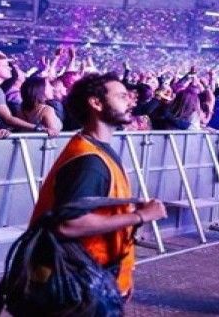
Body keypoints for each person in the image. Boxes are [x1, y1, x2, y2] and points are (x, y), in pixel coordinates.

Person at [29, 72, 167, 301]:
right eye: (122, 96)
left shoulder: (94, 149)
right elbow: (69, 224)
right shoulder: (89, 161)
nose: (131, 102)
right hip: (76, 285)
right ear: (96, 103)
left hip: (90, 279)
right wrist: (140, 216)